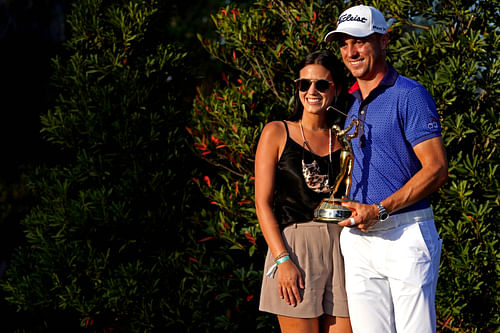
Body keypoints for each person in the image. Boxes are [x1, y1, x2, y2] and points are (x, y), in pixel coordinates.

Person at [323, 5, 448, 333]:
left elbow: (436, 168)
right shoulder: (349, 103)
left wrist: (380, 209)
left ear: (383, 41)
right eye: (344, 44)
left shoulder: (410, 94)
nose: (350, 52)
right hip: (359, 238)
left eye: (359, 41)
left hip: (405, 234)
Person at [255, 50, 352, 333]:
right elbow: (262, 203)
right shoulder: (277, 131)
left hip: (343, 246)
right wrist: (281, 259)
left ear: (336, 89)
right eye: (304, 84)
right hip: (295, 247)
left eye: (321, 84)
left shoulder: (346, 137)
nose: (312, 91)